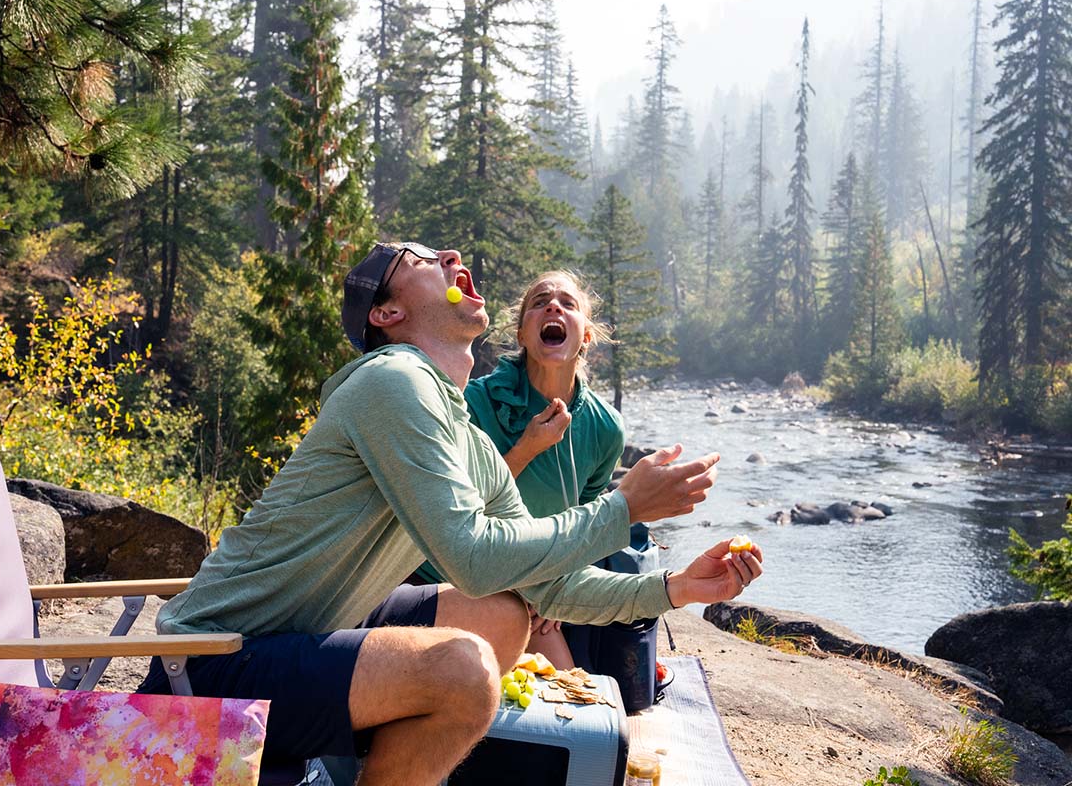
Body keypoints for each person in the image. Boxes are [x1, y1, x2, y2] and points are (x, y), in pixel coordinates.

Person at [140, 241, 764, 786]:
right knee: (465, 669)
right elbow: (469, 556)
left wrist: (674, 588)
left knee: (500, 613)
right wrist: (621, 507)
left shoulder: (459, 427)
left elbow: (546, 584)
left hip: (315, 629)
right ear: (388, 314)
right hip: (214, 662)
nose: (452, 259)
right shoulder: (392, 380)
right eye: (422, 259)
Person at [413, 270, 627, 672]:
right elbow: (454, 515)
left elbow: (587, 523)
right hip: (453, 579)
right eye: (540, 301)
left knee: (567, 694)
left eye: (568, 303)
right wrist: (527, 449)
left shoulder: (604, 428)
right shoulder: (475, 403)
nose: (553, 306)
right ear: (522, 335)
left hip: (533, 588)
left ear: (586, 336)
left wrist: (560, 586)